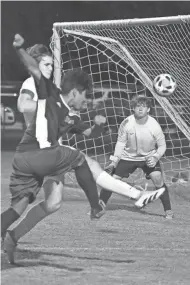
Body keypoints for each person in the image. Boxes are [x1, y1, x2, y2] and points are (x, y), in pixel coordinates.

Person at [2, 35, 165, 264]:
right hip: (39, 150)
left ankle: (12, 236)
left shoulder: (58, 99)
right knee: (85, 162)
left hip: (46, 151)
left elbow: (86, 132)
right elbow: (22, 104)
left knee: (52, 203)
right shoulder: (36, 85)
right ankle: (130, 197)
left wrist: (98, 127)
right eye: (47, 63)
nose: (51, 66)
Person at [99, 95, 173, 219]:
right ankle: (99, 206)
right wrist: (114, 161)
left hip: (148, 158)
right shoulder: (126, 123)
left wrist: (155, 157)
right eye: (137, 106)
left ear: (148, 110)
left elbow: (162, 146)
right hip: (128, 157)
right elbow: (120, 143)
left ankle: (168, 210)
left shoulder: (154, 126)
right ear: (133, 108)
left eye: (143, 107)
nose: (140, 109)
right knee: (111, 180)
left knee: (158, 178)